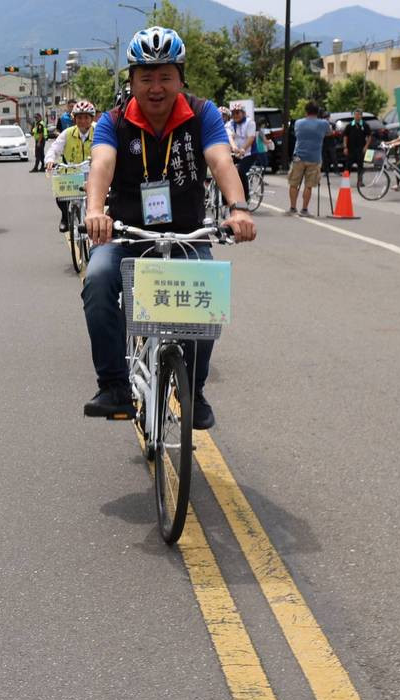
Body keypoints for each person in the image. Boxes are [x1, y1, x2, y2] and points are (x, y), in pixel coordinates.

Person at [82, 26, 256, 430]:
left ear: (181, 77)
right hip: (126, 234)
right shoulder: (113, 122)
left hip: (185, 236)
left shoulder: (203, 114)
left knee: (207, 293)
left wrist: (240, 209)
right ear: (131, 81)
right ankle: (113, 386)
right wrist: (95, 211)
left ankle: (193, 390)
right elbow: (101, 165)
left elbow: (221, 160)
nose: (155, 87)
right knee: (98, 278)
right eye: (146, 77)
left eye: (165, 76)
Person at [44, 99, 95, 232]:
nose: (82, 121)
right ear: (74, 118)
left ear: (92, 118)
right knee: (60, 192)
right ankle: (65, 217)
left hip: (94, 172)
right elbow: (54, 148)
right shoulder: (67, 133)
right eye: (79, 117)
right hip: (72, 172)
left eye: (86, 117)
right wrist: (50, 159)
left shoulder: (99, 130)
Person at [287, 101, 330, 216]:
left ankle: (292, 207)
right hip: (314, 157)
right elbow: (329, 133)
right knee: (309, 185)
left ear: (306, 111)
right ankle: (304, 209)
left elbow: (297, 134)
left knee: (293, 183)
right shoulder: (323, 123)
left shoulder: (298, 123)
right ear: (318, 112)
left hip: (298, 156)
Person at [227, 102, 257, 203]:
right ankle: (227, 198)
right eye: (233, 113)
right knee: (225, 169)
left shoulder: (250, 123)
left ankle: (245, 196)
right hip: (236, 152)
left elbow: (250, 138)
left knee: (240, 171)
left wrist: (243, 149)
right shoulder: (229, 124)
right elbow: (230, 137)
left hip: (249, 153)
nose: (235, 115)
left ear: (243, 113)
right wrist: (234, 147)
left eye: (237, 113)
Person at [341, 109, 372, 184]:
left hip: (360, 149)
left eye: (358, 115)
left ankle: (360, 181)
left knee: (360, 166)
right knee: (348, 166)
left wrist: (366, 146)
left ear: (361, 116)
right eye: (355, 115)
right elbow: (345, 136)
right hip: (351, 149)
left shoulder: (365, 125)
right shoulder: (349, 125)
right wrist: (345, 147)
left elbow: (369, 137)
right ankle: (345, 182)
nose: (357, 116)